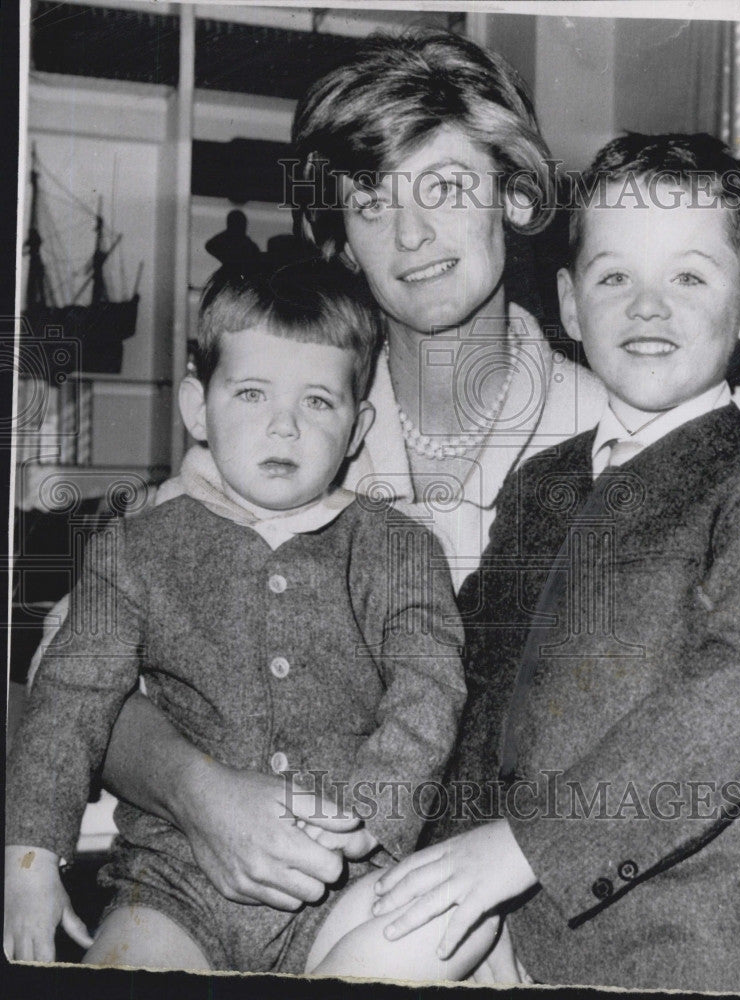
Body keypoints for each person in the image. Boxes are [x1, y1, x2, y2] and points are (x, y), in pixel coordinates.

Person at [15, 27, 606, 974]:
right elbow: (72, 660)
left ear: (517, 192)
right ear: (338, 234)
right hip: (221, 905)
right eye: (371, 201)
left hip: (505, 925)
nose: (409, 235)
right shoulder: (287, 426)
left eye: (445, 187)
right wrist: (199, 792)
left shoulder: (607, 438)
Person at [299, 133, 740, 992]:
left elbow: (721, 720)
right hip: (499, 897)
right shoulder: (543, 484)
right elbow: (463, 665)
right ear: (567, 302)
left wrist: (520, 849)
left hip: (674, 929)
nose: (646, 307)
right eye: (613, 277)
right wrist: (388, 813)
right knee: (341, 937)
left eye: (689, 277)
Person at [5, 260, 467, 972]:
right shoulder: (134, 546)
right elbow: (69, 702)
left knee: (441, 935)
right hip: (174, 883)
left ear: (356, 428)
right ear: (198, 407)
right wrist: (30, 857)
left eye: (318, 402)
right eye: (251, 393)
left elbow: (428, 693)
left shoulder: (398, 548)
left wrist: (363, 819)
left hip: (350, 874)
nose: (282, 425)